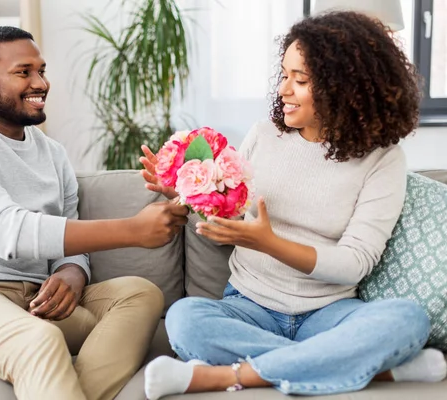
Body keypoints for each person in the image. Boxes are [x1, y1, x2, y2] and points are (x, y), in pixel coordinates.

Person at [138, 11, 447, 399]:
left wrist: (270, 243)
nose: (283, 89)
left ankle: (225, 376)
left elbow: (354, 263)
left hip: (329, 314)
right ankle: (367, 370)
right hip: (248, 306)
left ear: (344, 87)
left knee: (407, 320)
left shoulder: (382, 159)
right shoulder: (264, 135)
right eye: (283, 75)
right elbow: (229, 221)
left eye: (300, 80)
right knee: (184, 319)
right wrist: (188, 195)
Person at [0, 26, 188, 400]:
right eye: (23, 72)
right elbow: (8, 231)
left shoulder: (52, 154)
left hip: (33, 300)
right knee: (40, 341)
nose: (41, 83)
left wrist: (71, 271)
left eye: (41, 70)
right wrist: (133, 230)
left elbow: (69, 234)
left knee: (140, 293)